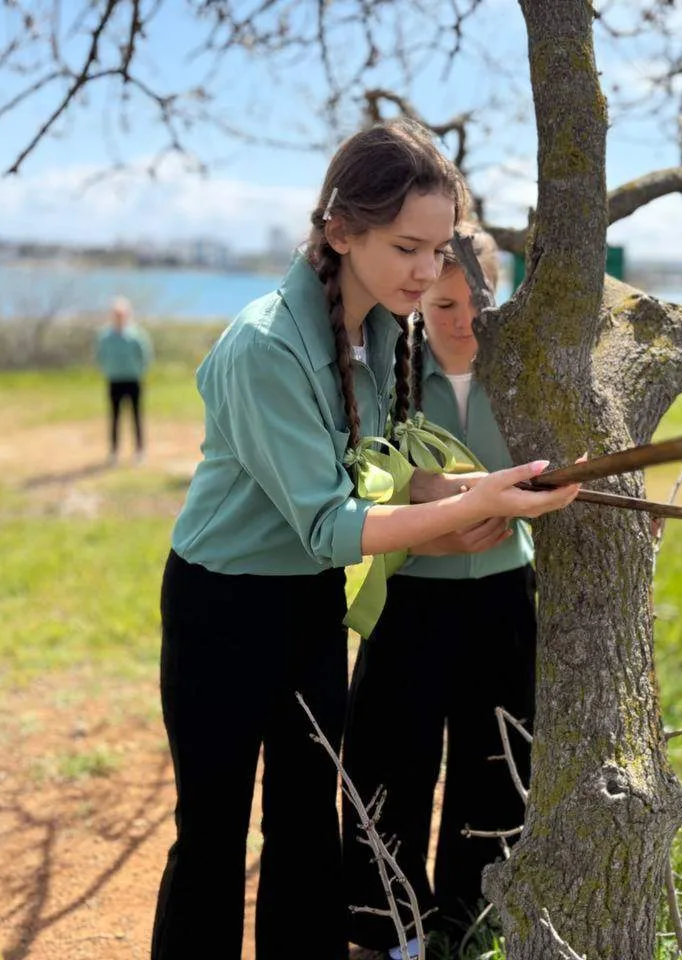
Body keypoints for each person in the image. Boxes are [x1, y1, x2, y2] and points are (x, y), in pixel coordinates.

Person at [149, 120, 579, 960]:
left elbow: (379, 476)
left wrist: (498, 489)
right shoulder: (265, 345)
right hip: (222, 608)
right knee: (213, 829)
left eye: (438, 249)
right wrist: (467, 507)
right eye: (407, 248)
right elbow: (331, 524)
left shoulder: (383, 328)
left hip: (308, 604)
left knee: (307, 818)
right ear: (341, 231)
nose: (427, 270)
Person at [343, 229, 535, 960]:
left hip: (504, 597)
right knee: (390, 762)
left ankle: (471, 919)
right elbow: (363, 484)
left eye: (477, 304)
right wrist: (432, 535)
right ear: (420, 298)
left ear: (499, 292)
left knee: (497, 764)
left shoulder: (525, 378)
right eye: (444, 304)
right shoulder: (386, 374)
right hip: (409, 599)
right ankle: (388, 929)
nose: (463, 321)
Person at [94, 296, 152, 465]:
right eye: (116, 314)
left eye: (122, 314)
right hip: (114, 380)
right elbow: (100, 356)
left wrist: (140, 371)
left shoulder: (136, 335)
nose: (119, 317)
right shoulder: (105, 336)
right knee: (115, 417)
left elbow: (145, 356)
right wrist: (107, 369)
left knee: (136, 416)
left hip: (133, 380)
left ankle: (140, 451)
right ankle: (114, 451)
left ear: (127, 314)